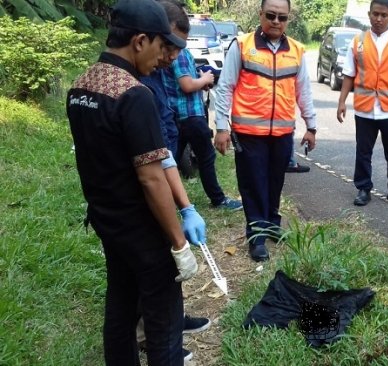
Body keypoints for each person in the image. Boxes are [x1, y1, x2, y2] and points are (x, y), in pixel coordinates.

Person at [66, 0, 198, 364]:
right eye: (160, 46)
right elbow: (151, 176)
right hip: (142, 229)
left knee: (121, 307)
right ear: (140, 41)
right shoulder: (134, 94)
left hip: (107, 222)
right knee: (164, 321)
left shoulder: (81, 87)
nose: (162, 58)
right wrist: (178, 244)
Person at [214, 0, 317, 262]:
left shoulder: (296, 50)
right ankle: (256, 236)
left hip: (282, 134)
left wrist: (311, 125)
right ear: (260, 15)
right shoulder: (242, 46)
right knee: (253, 185)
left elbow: (303, 91)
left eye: (282, 17)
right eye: (270, 15)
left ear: (288, 19)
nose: (276, 21)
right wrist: (222, 127)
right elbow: (225, 87)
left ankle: (272, 225)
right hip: (248, 135)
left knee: (275, 183)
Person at [138, 1, 212, 361]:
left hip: (163, 167)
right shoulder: (135, 87)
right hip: (147, 195)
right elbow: (152, 167)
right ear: (147, 38)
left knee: (162, 275)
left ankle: (169, 324)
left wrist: (187, 206)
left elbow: (163, 154)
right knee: (158, 270)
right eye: (168, 47)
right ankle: (160, 344)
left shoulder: (149, 76)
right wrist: (180, 232)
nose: (171, 57)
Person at [336, 0, 388, 208]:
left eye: (383, 15)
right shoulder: (358, 41)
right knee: (363, 151)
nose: (378, 19)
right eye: (375, 14)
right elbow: (348, 74)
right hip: (365, 107)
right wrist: (342, 101)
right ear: (369, 14)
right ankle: (363, 189)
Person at [161, 12, 243, 211]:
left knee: (171, 159)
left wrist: (201, 81)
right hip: (189, 115)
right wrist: (205, 80)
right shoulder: (178, 53)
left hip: (176, 115)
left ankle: (167, 201)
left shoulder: (169, 51)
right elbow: (187, 85)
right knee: (206, 157)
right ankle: (218, 199)